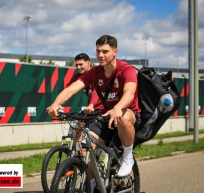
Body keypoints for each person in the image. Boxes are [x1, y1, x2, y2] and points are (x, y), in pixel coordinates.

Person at [47, 35, 140, 191]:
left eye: (105, 51)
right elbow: (71, 89)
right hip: (105, 116)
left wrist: (118, 107)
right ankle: (93, 184)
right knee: (84, 148)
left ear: (115, 52)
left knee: (123, 117)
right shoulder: (95, 72)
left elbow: (129, 93)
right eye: (98, 51)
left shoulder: (126, 70)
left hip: (127, 112)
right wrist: (56, 104)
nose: (100, 55)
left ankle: (127, 157)